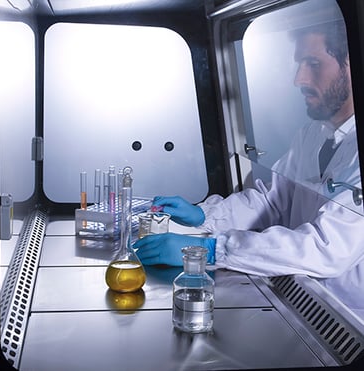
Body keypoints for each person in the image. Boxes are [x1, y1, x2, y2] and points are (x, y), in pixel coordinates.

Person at [134, 19, 364, 318]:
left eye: (313, 63)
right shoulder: (312, 135)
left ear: (350, 66)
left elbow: (325, 248)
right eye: (299, 64)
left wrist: (212, 250)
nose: (299, 79)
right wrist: (205, 215)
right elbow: (270, 199)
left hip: (348, 319)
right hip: (297, 292)